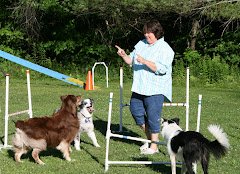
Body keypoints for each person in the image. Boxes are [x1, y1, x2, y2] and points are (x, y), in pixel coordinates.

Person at [115, 19, 174, 154]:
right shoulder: (141, 44)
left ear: (157, 33)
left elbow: (162, 69)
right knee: (136, 112)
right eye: (145, 33)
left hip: (155, 88)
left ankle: (153, 147)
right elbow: (131, 61)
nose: (146, 36)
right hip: (139, 87)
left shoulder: (165, 48)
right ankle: (152, 142)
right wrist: (124, 55)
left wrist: (144, 61)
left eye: (149, 33)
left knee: (153, 117)